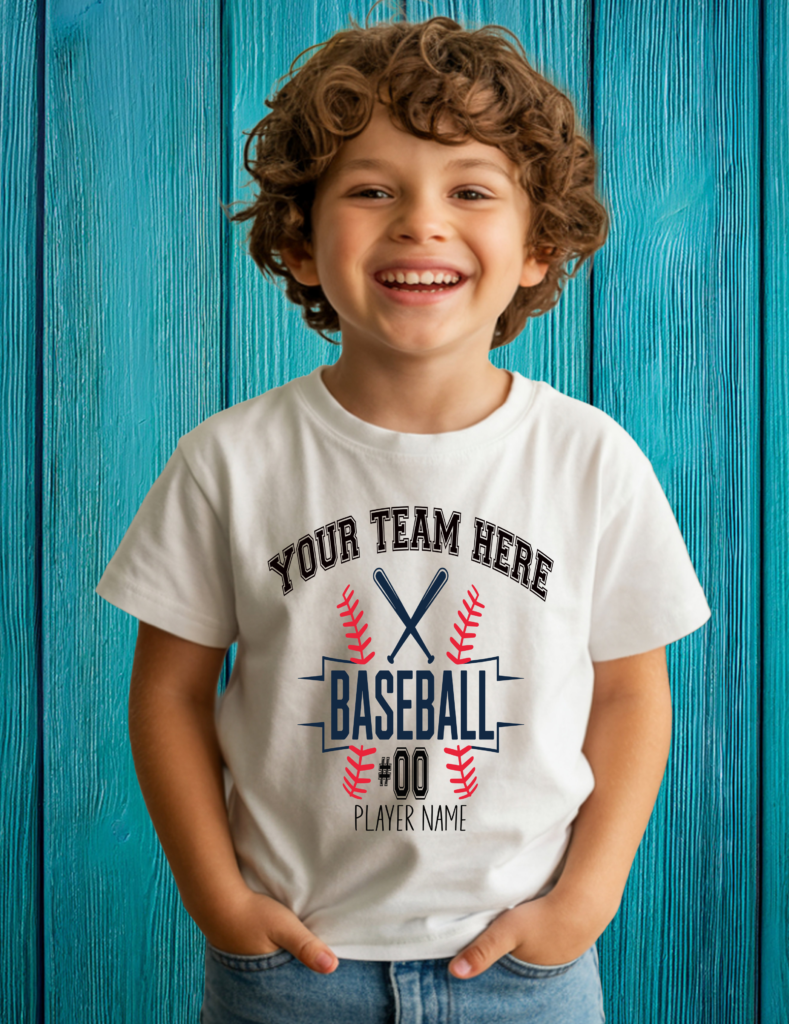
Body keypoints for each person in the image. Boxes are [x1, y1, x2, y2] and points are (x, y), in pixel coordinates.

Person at [96, 14, 711, 1024]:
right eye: (372, 189)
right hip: (296, 966)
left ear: (538, 247)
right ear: (298, 242)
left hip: (523, 966)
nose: (421, 222)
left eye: (470, 190)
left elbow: (633, 696)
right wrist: (220, 902)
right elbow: (168, 692)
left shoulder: (589, 459)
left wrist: (584, 902)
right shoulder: (231, 463)